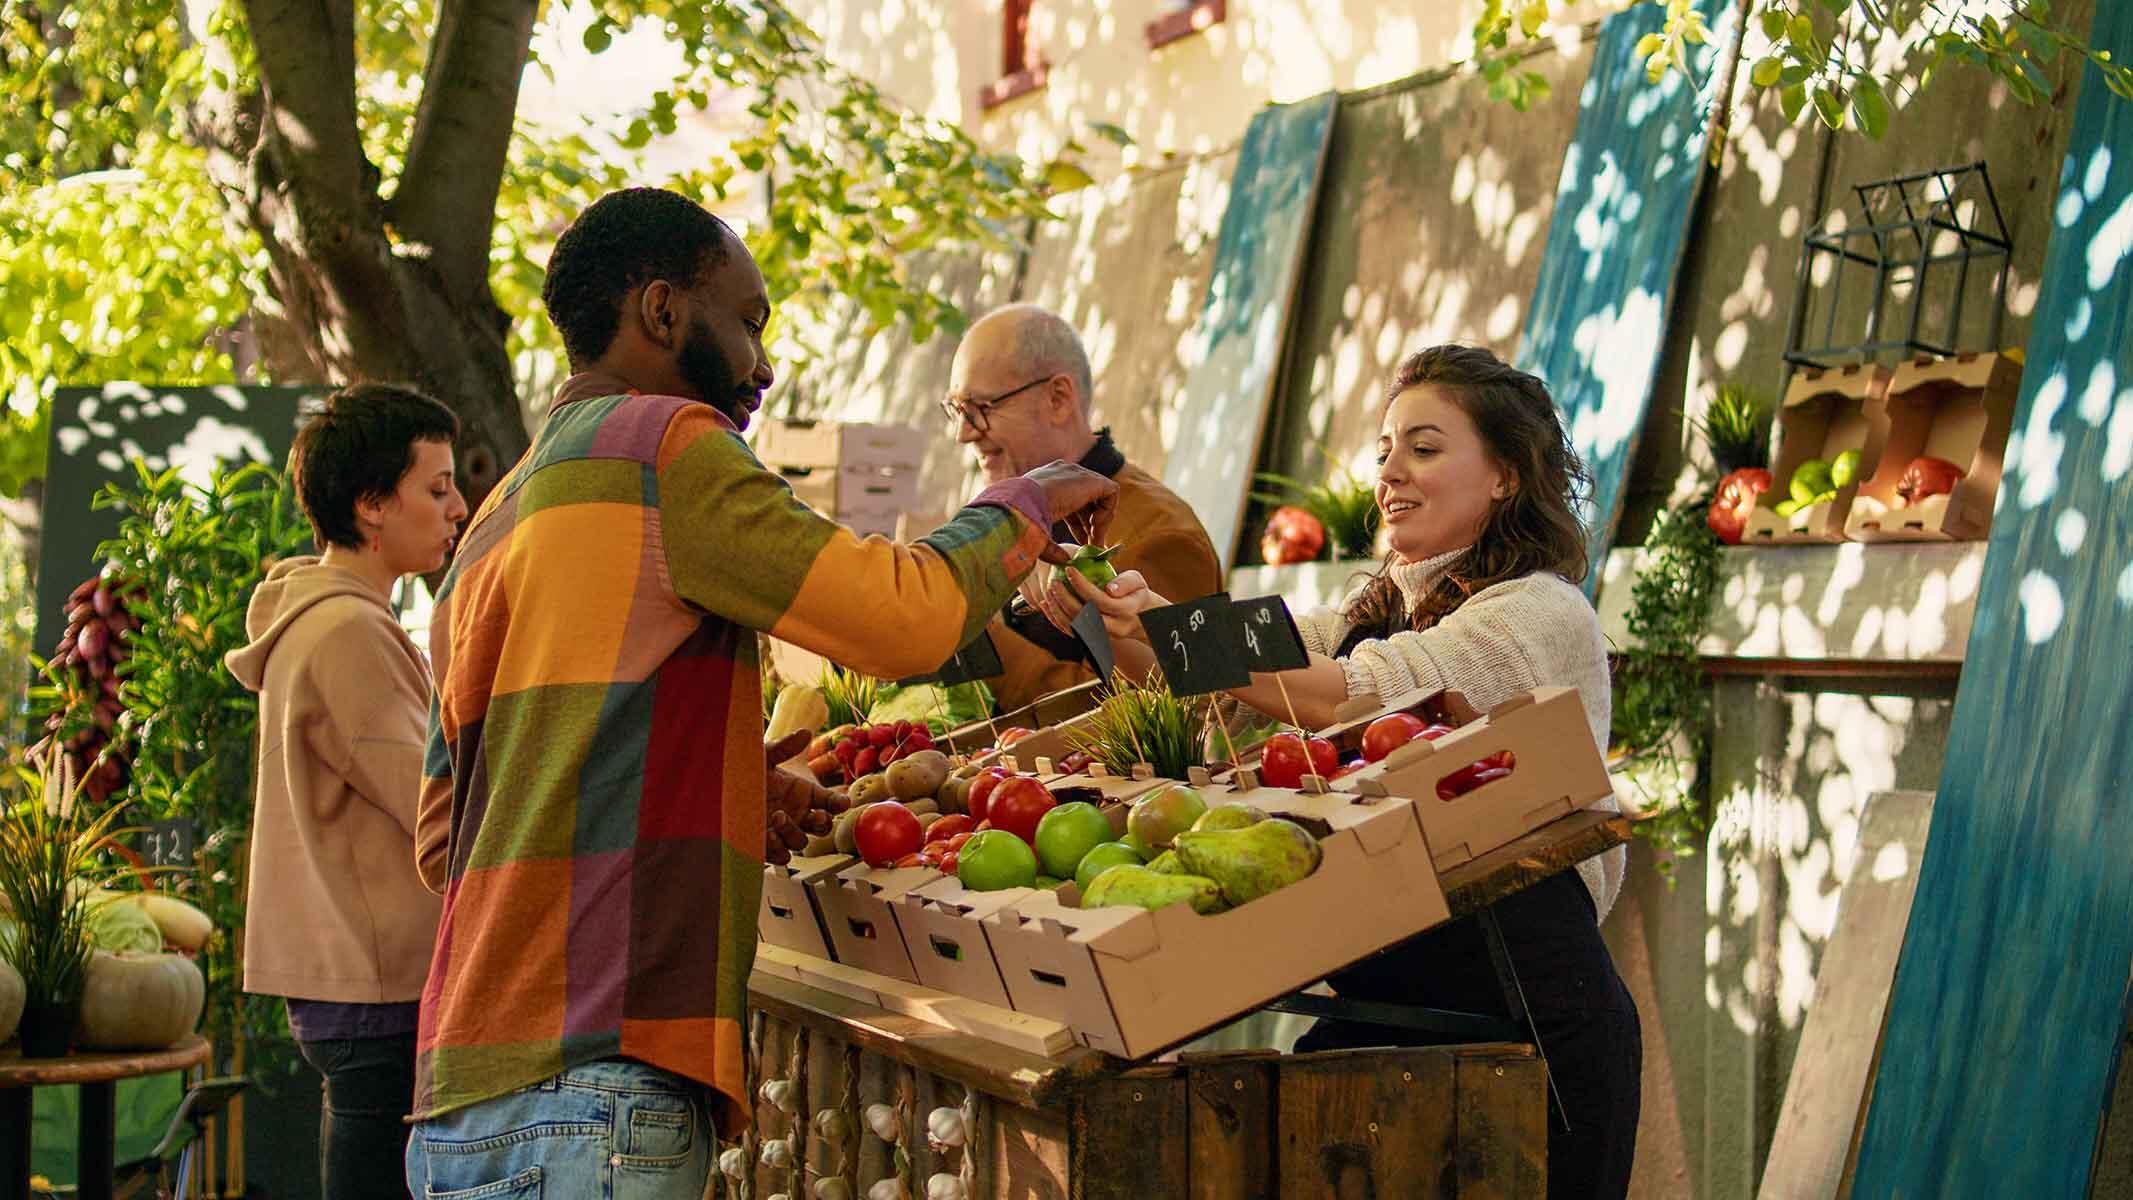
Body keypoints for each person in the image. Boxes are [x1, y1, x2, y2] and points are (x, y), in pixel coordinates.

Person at [404, 187, 1117, 1199]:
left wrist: (725, 785)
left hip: (457, 1097)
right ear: (661, 313)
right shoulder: (665, 444)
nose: (765, 364)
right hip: (600, 1082)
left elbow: (448, 837)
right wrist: (1023, 501)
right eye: (747, 321)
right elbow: (902, 616)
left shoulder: (491, 522)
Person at [1066, 344, 1639, 1199]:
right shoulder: (1372, 611)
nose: (1388, 473)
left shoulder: (1538, 612)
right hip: (1388, 1022)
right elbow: (1259, 655)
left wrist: (1173, 627)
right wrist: (1105, 611)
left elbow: (1352, 692)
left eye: (1424, 447)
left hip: (1530, 1039)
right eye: (1383, 450)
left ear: (1505, 477)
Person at [225, 383, 469, 1200]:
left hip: (354, 983)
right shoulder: (350, 631)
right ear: (370, 505)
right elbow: (431, 804)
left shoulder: (330, 619)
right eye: (435, 489)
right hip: (378, 986)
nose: (458, 508)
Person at [944, 303, 1221, 712]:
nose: (963, 434)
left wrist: (975, 637)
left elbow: (1157, 712)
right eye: (955, 409)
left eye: (980, 409)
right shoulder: (1015, 514)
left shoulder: (1161, 534)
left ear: (1058, 398)